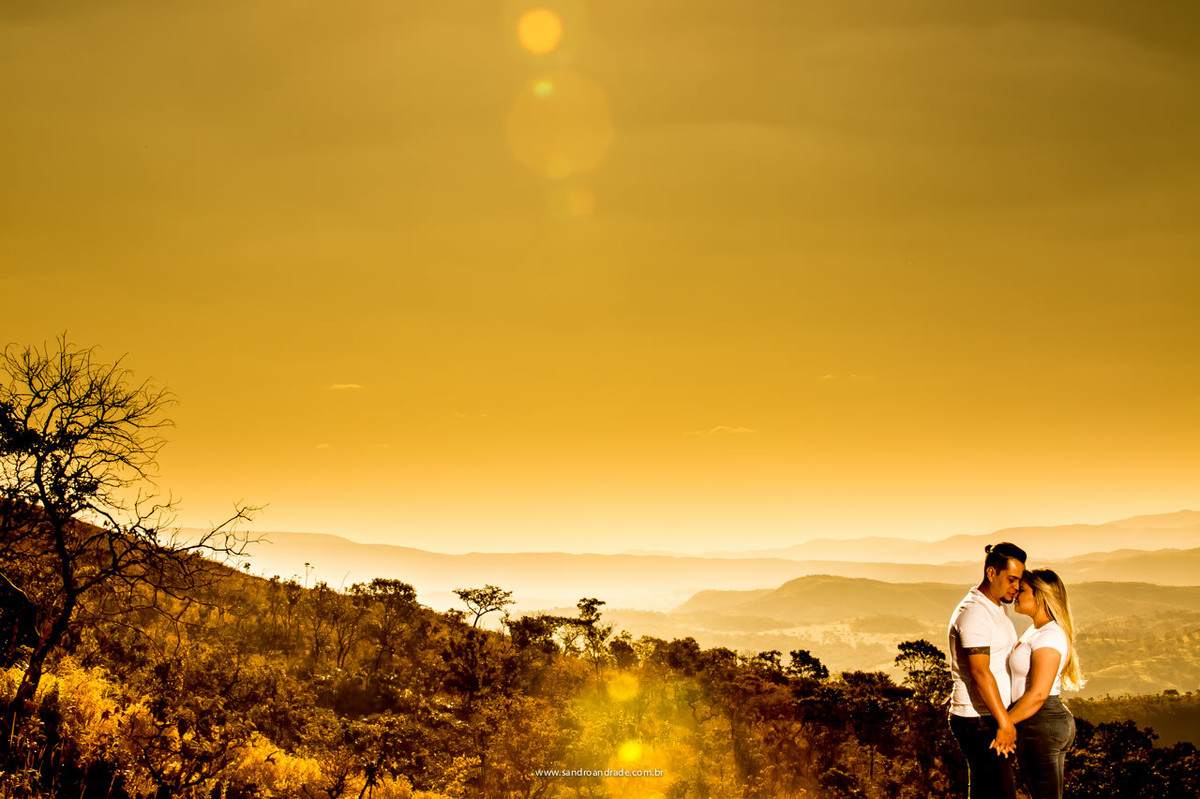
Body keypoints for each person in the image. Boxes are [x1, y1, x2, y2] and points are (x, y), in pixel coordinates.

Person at [948, 542, 1026, 799]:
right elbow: (980, 673)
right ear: (992, 573)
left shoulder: (994, 607)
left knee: (987, 792)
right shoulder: (974, 613)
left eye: (1019, 581)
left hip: (989, 718)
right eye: (1012, 580)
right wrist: (1005, 723)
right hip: (978, 720)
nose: (1017, 587)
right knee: (1001, 793)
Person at [1006, 569, 1083, 799]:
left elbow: (1039, 693)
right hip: (1040, 722)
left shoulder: (1049, 635)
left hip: (1041, 722)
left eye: (1022, 590)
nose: (1015, 594)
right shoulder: (1036, 630)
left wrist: (1004, 725)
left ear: (1040, 596)